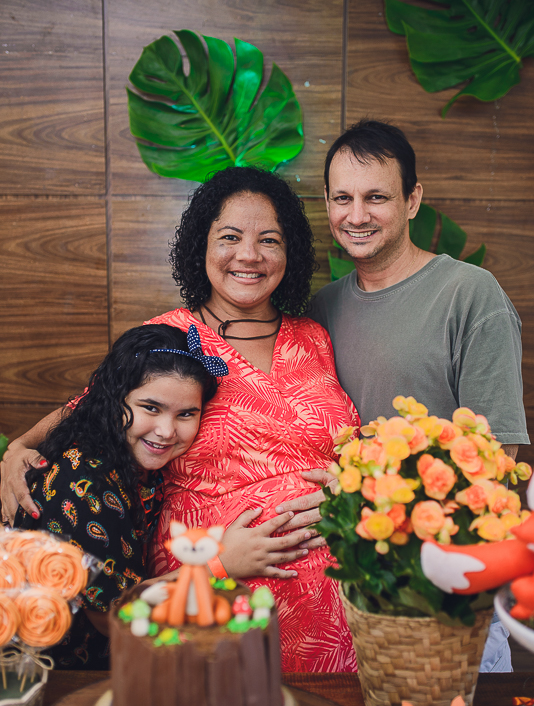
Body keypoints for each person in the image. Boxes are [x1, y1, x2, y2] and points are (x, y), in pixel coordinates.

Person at [2, 166, 360, 673]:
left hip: (338, 592)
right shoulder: (173, 335)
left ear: (292, 253)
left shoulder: (314, 338)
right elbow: (92, 408)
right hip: (210, 580)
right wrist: (17, 447)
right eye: (230, 237)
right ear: (202, 245)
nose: (249, 255)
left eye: (269, 240)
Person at [306, 119, 530, 671]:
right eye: (343, 198)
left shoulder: (469, 295)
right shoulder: (318, 310)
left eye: (376, 197)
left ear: (412, 200)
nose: (356, 216)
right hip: (346, 585)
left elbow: (499, 462)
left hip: (445, 587)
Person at [12, 322, 227, 669]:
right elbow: (113, 617)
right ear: (115, 403)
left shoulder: (135, 464)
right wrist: (222, 564)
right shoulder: (87, 480)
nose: (167, 431)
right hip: (51, 679)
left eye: (187, 414)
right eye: (151, 408)